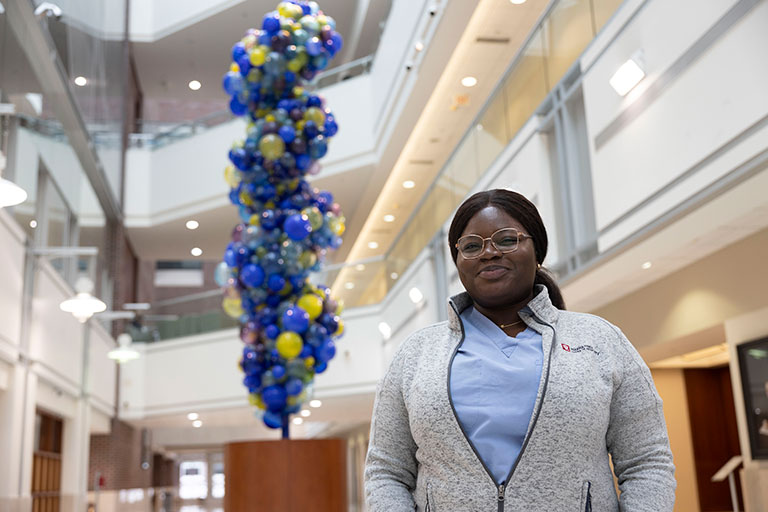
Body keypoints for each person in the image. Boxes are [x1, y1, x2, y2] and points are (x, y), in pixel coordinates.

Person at [364, 189, 676, 511]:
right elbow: (387, 472)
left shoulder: (601, 340)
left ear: (537, 250)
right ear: (458, 262)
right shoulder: (416, 354)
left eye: (506, 240)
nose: (489, 253)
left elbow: (647, 462)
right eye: (472, 246)